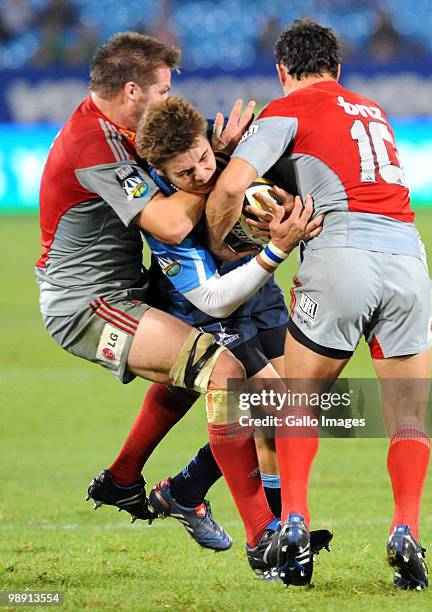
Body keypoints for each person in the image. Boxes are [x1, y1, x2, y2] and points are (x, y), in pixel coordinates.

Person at [35, 31, 320, 578]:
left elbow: (179, 161)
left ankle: (124, 479)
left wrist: (214, 157)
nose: (168, 100)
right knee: (224, 375)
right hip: (86, 303)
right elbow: (167, 222)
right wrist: (216, 167)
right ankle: (263, 537)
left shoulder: (131, 131)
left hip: (130, 288)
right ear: (132, 90)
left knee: (192, 374)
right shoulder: (93, 143)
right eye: (163, 90)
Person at [205, 18, 432, 590]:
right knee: (408, 418)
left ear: (282, 71)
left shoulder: (287, 110)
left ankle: (296, 523)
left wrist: (218, 238)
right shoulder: (372, 110)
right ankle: (405, 528)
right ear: (339, 68)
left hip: (340, 255)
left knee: (299, 400)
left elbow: (233, 186)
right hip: (408, 257)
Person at [134, 95, 329, 578]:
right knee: (281, 410)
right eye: (186, 173)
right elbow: (213, 299)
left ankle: (186, 490)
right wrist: (277, 251)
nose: (202, 174)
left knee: (283, 414)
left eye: (204, 158)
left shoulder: (224, 154)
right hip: (212, 309)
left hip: (259, 292)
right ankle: (275, 544)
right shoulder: (161, 217)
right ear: (162, 173)